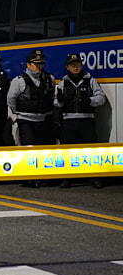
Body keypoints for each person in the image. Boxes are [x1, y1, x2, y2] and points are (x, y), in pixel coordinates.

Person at [55, 53, 107, 188]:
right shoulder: (62, 83)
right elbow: (55, 103)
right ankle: (67, 178)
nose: (75, 66)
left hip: (86, 120)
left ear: (81, 65)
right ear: (67, 67)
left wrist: (89, 101)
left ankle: (94, 178)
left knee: (91, 151)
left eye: (77, 64)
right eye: (72, 64)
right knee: (68, 151)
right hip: (68, 121)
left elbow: (101, 98)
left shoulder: (91, 81)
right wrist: (59, 100)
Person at [7, 49, 56, 187]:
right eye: (36, 64)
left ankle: (42, 176)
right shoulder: (19, 81)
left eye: (41, 63)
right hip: (26, 120)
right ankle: (29, 177)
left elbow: (52, 97)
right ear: (28, 65)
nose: (39, 66)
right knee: (29, 149)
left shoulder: (48, 79)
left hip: (43, 119)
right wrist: (19, 112)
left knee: (42, 149)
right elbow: (11, 99)